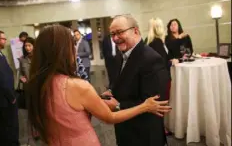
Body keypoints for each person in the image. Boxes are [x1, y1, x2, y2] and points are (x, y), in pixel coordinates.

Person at [27, 24, 171, 146]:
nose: (75, 50)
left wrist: (97, 100)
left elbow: (66, 109)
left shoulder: (37, 84)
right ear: (62, 51)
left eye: (119, 32)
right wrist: (144, 106)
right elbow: (109, 117)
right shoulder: (77, 86)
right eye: (72, 46)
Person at [102, 14, 170, 146]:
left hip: (143, 134)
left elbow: (155, 102)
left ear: (136, 31)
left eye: (120, 32)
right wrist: (112, 91)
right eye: (112, 34)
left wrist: (118, 106)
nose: (115, 38)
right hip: (126, 129)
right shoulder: (122, 54)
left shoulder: (151, 59)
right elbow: (123, 82)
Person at [145, 18, 179, 135]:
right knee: (162, 103)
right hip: (160, 78)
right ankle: (160, 129)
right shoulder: (157, 42)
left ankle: (159, 127)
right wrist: (171, 62)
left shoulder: (151, 41)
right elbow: (161, 62)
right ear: (158, 28)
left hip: (156, 78)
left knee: (159, 102)